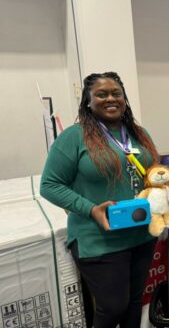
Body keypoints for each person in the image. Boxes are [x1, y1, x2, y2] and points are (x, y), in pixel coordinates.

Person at [40, 72, 159, 328]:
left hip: (141, 234)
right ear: (88, 101)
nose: (110, 99)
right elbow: (49, 185)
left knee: (134, 303)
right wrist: (90, 208)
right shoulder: (74, 137)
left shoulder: (138, 133)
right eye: (101, 94)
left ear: (124, 98)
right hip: (98, 238)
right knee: (113, 307)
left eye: (116, 93)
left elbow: (152, 173)